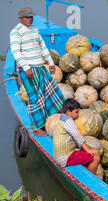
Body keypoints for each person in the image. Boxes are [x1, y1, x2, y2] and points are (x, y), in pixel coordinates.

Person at [10, 7, 65, 136]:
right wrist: (26, 67)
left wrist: (51, 62)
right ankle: (36, 127)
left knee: (50, 91)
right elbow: (16, 52)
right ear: (20, 19)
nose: (29, 20)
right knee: (35, 98)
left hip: (40, 67)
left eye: (31, 17)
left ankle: (48, 118)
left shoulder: (34, 29)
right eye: (26, 18)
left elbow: (43, 47)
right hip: (28, 69)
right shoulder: (16, 32)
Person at [53, 98, 100, 174]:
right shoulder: (68, 121)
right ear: (68, 112)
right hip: (65, 158)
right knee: (95, 157)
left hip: (60, 155)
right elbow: (78, 137)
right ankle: (89, 180)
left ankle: (86, 171)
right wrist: (88, 150)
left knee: (86, 150)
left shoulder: (62, 118)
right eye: (76, 112)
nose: (78, 114)